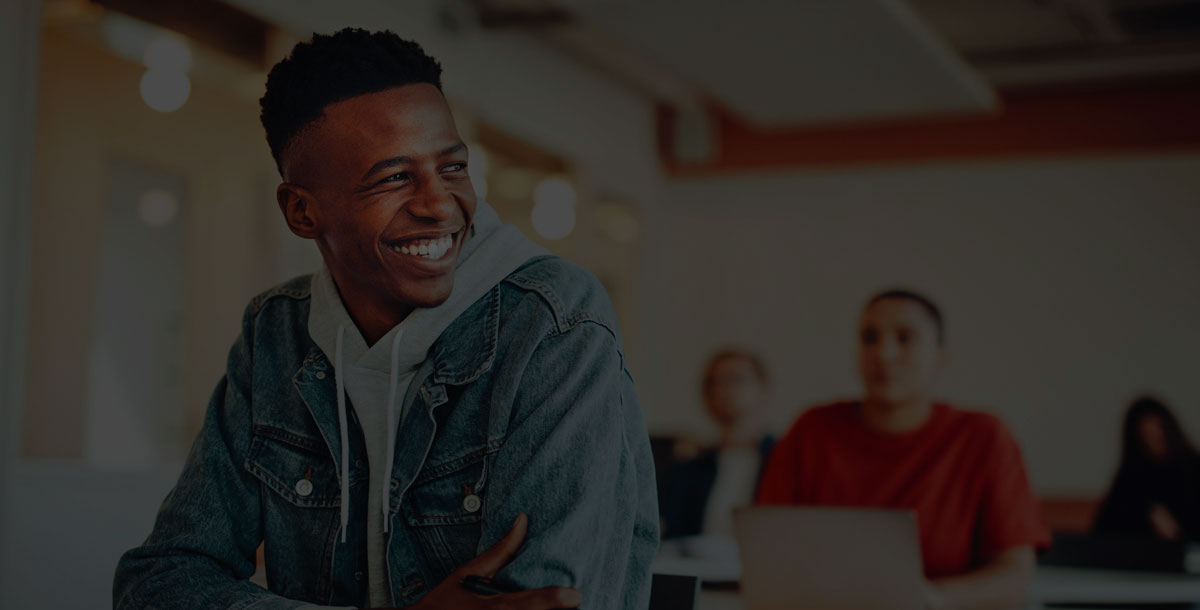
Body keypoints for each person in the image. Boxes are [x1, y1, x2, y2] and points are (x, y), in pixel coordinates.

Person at [113, 28, 658, 610]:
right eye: (394, 177)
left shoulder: (554, 321)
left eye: (452, 167)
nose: (439, 204)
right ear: (301, 212)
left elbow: (548, 602)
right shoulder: (277, 333)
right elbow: (158, 582)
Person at [757, 289, 1050, 610]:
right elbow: (766, 552)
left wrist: (932, 599)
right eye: (870, 338)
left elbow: (1015, 574)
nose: (883, 354)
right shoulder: (811, 430)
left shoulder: (983, 437)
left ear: (940, 357)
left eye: (905, 338)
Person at [659, 349, 774, 540]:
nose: (725, 389)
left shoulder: (786, 462)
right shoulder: (687, 469)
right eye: (715, 382)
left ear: (763, 389)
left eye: (736, 379)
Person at [1093, 397, 1200, 541]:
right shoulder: (1131, 478)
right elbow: (1103, 535)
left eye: (1160, 434)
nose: (1155, 443)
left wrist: (1177, 534)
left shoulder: (1193, 471)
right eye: (1147, 436)